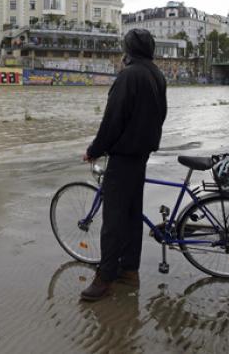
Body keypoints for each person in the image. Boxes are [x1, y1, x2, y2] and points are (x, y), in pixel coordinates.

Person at [80, 28, 167, 302]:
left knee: (114, 220)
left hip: (124, 156)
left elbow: (112, 120)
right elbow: (161, 114)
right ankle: (129, 270)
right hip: (141, 154)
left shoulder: (128, 76)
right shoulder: (156, 74)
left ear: (127, 51)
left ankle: (105, 277)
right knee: (131, 216)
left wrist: (95, 150)